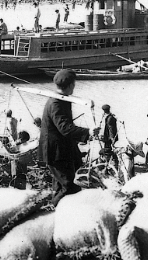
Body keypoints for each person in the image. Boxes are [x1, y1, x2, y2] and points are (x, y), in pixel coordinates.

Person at [39, 69, 97, 206]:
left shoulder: (62, 100)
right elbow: (65, 128)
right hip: (55, 152)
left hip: (63, 149)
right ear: (71, 85)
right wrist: (89, 132)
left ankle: (57, 205)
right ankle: (52, 210)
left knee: (62, 183)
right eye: (74, 84)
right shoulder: (56, 104)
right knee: (70, 186)